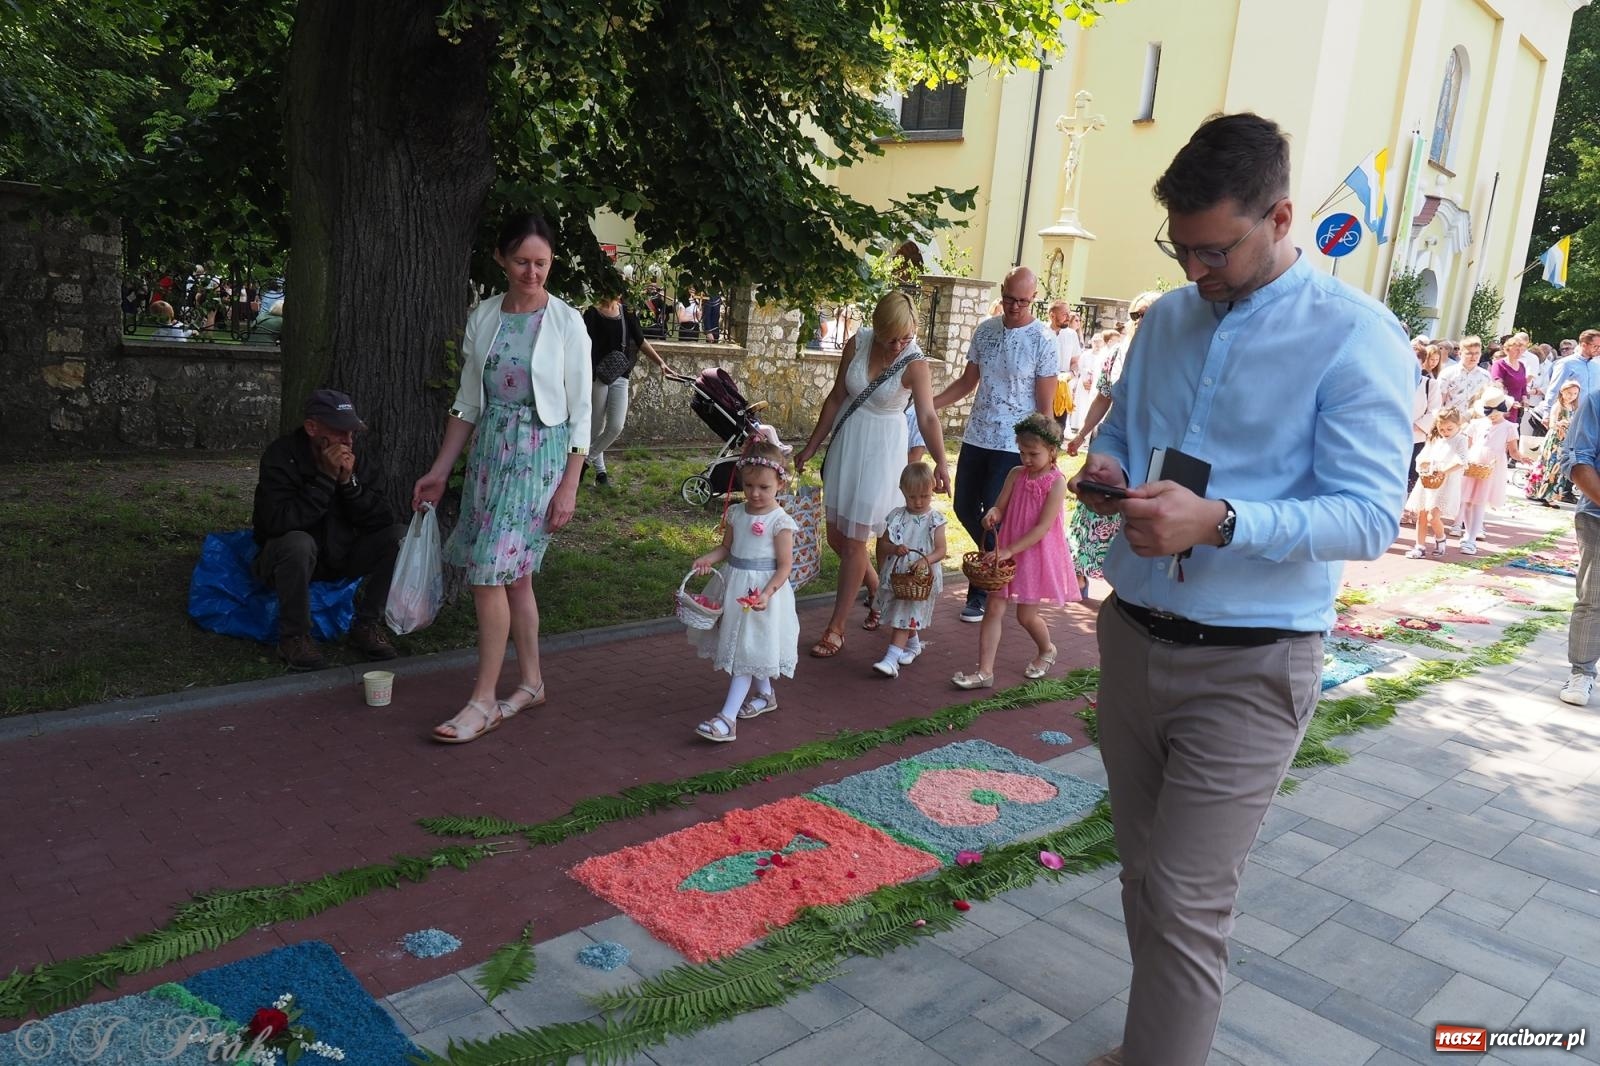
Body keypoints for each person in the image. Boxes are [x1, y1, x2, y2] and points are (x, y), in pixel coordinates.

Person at [1069, 113, 1414, 1066]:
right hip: (1133, 637)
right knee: (1144, 876)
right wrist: (1107, 469)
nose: (1193, 271)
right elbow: (1126, 432)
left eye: (1214, 249)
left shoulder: (1356, 337)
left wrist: (1221, 520)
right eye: (1180, 248)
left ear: (1282, 217)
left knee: (1185, 897)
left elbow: (1368, 519)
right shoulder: (1168, 319)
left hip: (1250, 663)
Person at [413, 214, 591, 744]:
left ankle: (482, 701)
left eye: (541, 262)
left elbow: (581, 412)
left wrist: (570, 485)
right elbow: (467, 402)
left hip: (542, 456)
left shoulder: (567, 322)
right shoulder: (484, 316)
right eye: (521, 261)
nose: (532, 272)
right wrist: (441, 470)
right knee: (515, 576)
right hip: (493, 453)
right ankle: (532, 683)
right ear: (500, 259)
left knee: (488, 572)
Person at [795, 290, 950, 657]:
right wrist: (813, 444)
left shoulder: (915, 364)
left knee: (854, 543)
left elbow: (927, 417)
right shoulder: (857, 343)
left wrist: (942, 462)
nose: (898, 345)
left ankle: (836, 629)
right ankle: (879, 590)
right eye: (891, 337)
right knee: (837, 538)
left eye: (906, 337)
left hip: (883, 453)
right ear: (876, 328)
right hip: (849, 443)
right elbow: (835, 397)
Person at [932, 267, 1059, 623]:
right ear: (1001, 292)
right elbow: (967, 381)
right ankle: (1001, 563)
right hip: (977, 436)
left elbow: (1045, 405)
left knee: (992, 515)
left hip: (1013, 445)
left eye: (1021, 300)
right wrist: (930, 405)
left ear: (1034, 299)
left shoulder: (1043, 340)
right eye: (1008, 298)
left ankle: (983, 591)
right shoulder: (985, 331)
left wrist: (1046, 453)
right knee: (963, 507)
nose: (1014, 306)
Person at [251, 389, 405, 670]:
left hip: (342, 553)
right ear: (312, 428)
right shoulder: (281, 456)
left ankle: (366, 625)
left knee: (399, 537)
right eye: (339, 433)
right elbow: (274, 523)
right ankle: (294, 636)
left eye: (352, 434)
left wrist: (350, 485)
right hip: (289, 557)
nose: (347, 442)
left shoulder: (360, 457)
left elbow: (382, 518)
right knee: (298, 543)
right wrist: (324, 479)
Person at [951, 413, 1079, 689]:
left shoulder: (1056, 482)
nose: (1027, 460)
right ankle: (985, 672)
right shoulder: (1015, 474)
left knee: (1025, 616)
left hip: (1034, 552)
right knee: (994, 607)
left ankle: (1047, 649)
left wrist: (1009, 550)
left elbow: (1043, 527)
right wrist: (992, 515)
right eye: (1022, 453)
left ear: (1052, 451)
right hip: (1006, 551)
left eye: (1034, 454)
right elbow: (1000, 506)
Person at [688, 441, 799, 741]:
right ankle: (765, 695)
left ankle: (727, 718)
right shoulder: (737, 514)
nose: (755, 493)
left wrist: (767, 593)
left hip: (762, 593)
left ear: (780, 482)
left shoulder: (780, 522)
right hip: (734, 584)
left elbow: (785, 566)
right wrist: (707, 560)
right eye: (749, 485)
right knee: (749, 646)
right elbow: (726, 547)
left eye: (764, 486)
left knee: (745, 650)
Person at [1066, 298, 1157, 599]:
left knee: (1126, 522)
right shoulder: (1116, 354)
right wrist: (1081, 436)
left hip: (1144, 453)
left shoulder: (1167, 355)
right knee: (1090, 514)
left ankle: (1119, 585)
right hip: (1111, 443)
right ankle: (1080, 576)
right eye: (1136, 314)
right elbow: (1103, 399)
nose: (1141, 319)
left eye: (1148, 314)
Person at [582, 290, 671, 486]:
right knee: (596, 428)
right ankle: (601, 473)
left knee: (615, 426)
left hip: (620, 374)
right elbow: (581, 345)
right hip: (598, 376)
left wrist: (661, 363)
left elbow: (640, 341)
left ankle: (583, 463)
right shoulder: (591, 313)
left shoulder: (627, 312)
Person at [868, 461, 948, 678]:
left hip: (920, 578)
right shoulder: (897, 516)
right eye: (912, 497)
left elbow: (941, 550)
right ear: (902, 491)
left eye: (924, 496)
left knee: (904, 614)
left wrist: (926, 560)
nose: (918, 501)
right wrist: (894, 547)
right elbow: (883, 544)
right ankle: (913, 646)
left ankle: (891, 659)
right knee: (903, 612)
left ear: (932, 490)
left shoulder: (935, 520)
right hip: (898, 576)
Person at [1558, 377, 1600, 706]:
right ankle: (1582, 673)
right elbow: (1576, 460)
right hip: (1598, 514)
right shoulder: (1596, 401)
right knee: (1594, 597)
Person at [1455, 387, 1520, 555]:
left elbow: (1513, 451)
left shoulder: (1509, 427)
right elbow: (1467, 445)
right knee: (1468, 501)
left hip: (1492, 466)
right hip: (1473, 463)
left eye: (1497, 412)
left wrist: (1523, 458)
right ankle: (1468, 533)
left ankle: (1471, 539)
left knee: (1479, 502)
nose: (1493, 415)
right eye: (1490, 412)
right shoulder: (1477, 424)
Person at [1403, 408, 1467, 559]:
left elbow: (1462, 460)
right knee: (1422, 514)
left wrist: (1444, 470)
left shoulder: (1460, 439)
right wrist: (1425, 464)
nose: (1445, 432)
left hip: (1446, 481)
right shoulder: (1435, 439)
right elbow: (1421, 457)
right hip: (1429, 481)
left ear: (1458, 425)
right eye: (1441, 428)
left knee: (1433, 516)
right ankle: (1419, 546)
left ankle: (1440, 537)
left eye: (1449, 428)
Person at [1528, 380, 1582, 506]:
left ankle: (1549, 494)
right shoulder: (1558, 406)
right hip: (1555, 441)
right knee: (1549, 466)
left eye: (1575, 394)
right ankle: (1544, 495)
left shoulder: (1573, 408)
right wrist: (1560, 424)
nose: (1571, 396)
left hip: (1565, 441)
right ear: (1562, 392)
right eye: (1569, 393)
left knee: (1558, 469)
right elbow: (1551, 424)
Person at [1408, 343, 1445, 494]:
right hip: (1393, 436)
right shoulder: (1394, 381)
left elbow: (1434, 411)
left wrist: (1414, 426)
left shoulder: (1430, 384)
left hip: (1416, 438)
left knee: (1411, 475)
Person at [1439, 335, 1492, 414]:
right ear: (1460, 354)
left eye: (1477, 353)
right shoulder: (1448, 373)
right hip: (1452, 421)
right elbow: (1439, 401)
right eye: (1469, 353)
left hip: (1475, 422)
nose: (1473, 357)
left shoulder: (1486, 376)